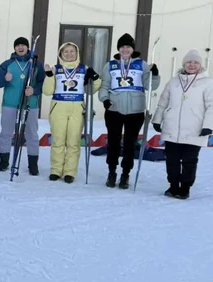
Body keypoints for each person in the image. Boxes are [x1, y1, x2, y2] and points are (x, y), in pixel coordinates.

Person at [98, 33, 160, 189]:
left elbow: (150, 86)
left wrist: (155, 75)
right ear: (118, 49)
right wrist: (105, 99)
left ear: (133, 49)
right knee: (113, 142)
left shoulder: (142, 65)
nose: (125, 50)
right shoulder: (110, 65)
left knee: (129, 144)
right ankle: (112, 172)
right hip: (114, 109)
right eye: (122, 47)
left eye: (128, 47)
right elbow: (104, 85)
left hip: (135, 110)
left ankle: (125, 174)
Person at [151, 49, 213, 199]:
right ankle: (173, 186)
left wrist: (208, 125)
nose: (192, 65)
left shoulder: (207, 83)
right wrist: (157, 119)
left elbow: (211, 106)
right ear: (184, 64)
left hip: (195, 129)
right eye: (189, 62)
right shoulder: (173, 82)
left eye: (195, 62)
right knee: (172, 160)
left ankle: (185, 188)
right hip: (172, 128)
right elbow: (163, 102)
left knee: (189, 161)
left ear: (200, 65)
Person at [42, 42, 101, 183]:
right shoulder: (56, 69)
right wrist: (49, 75)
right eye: (65, 52)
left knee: (73, 142)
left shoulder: (83, 69)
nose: (69, 54)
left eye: (72, 51)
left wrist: (95, 77)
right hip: (59, 106)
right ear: (61, 54)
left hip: (77, 107)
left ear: (77, 53)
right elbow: (47, 91)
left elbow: (92, 89)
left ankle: (70, 171)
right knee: (58, 141)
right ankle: (56, 170)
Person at [0, 37, 46, 175]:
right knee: (6, 133)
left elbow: (43, 83)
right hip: (10, 104)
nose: (20, 47)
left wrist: (34, 90)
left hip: (30, 104)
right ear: (15, 48)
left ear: (28, 47)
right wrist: (5, 79)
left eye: (23, 45)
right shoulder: (7, 64)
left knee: (31, 134)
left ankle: (33, 165)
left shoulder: (36, 64)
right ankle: (4, 161)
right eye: (18, 45)